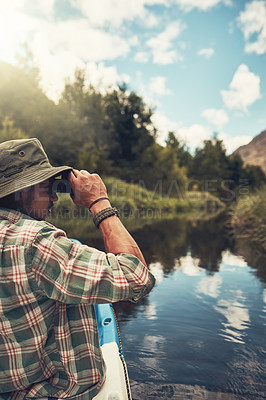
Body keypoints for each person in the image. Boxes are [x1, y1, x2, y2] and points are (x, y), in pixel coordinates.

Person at [0, 138, 155, 400]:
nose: (54, 197)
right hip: (54, 393)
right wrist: (99, 202)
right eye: (47, 187)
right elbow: (136, 275)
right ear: (21, 191)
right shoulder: (36, 243)